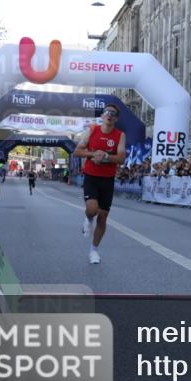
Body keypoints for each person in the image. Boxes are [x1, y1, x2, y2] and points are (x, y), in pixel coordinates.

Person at [74, 104, 127, 264]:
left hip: (108, 179)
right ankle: (88, 219)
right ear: (102, 116)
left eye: (113, 113)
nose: (109, 115)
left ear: (116, 118)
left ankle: (93, 251)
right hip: (91, 176)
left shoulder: (120, 135)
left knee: (103, 218)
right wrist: (92, 154)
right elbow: (77, 151)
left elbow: (121, 158)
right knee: (92, 210)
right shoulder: (92, 130)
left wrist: (105, 156)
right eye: (106, 113)